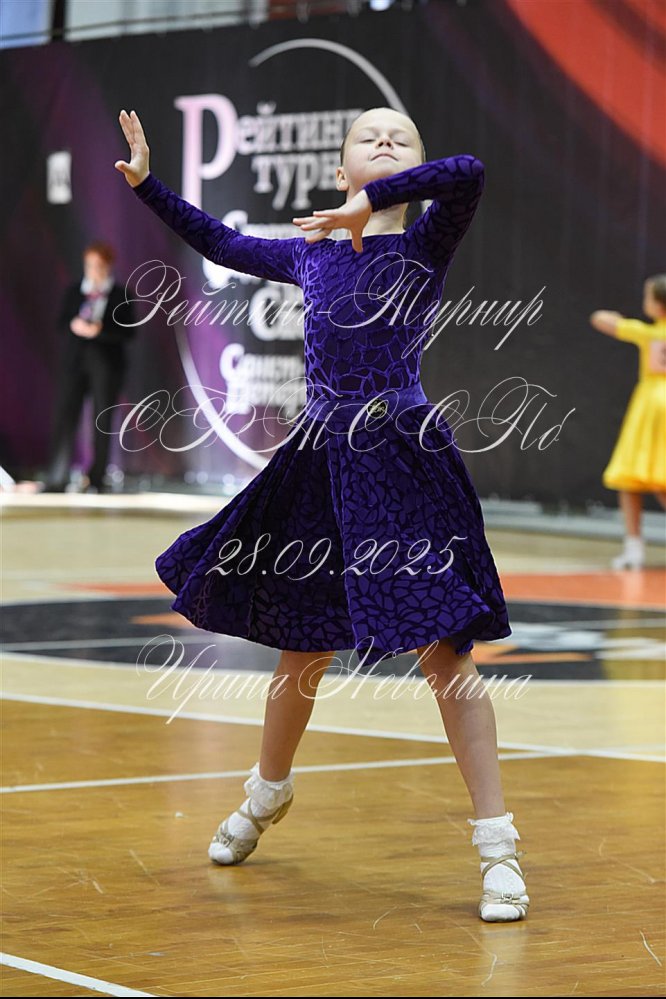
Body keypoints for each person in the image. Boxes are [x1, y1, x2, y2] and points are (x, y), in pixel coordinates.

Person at [116, 106, 529, 922]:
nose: (384, 142)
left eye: (400, 137)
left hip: (404, 460)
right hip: (321, 462)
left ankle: (498, 845)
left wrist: (371, 206)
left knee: (446, 654)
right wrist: (147, 184)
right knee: (301, 647)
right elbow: (222, 244)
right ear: (340, 172)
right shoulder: (311, 253)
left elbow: (470, 172)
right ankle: (267, 791)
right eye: (367, 139)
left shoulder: (424, 243)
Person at [41, 242, 135, 493]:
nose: (94, 271)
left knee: (101, 421)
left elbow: (129, 332)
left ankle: (96, 478)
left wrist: (100, 331)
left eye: (99, 266)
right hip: (74, 364)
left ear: (108, 266)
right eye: (90, 265)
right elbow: (61, 322)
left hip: (106, 366)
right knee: (65, 417)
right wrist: (75, 325)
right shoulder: (75, 292)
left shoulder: (120, 295)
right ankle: (57, 476)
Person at [589, 276, 666, 569]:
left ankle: (634, 547)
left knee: (631, 476)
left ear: (658, 306)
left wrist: (617, 318)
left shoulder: (647, 333)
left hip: (651, 408)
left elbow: (599, 319)